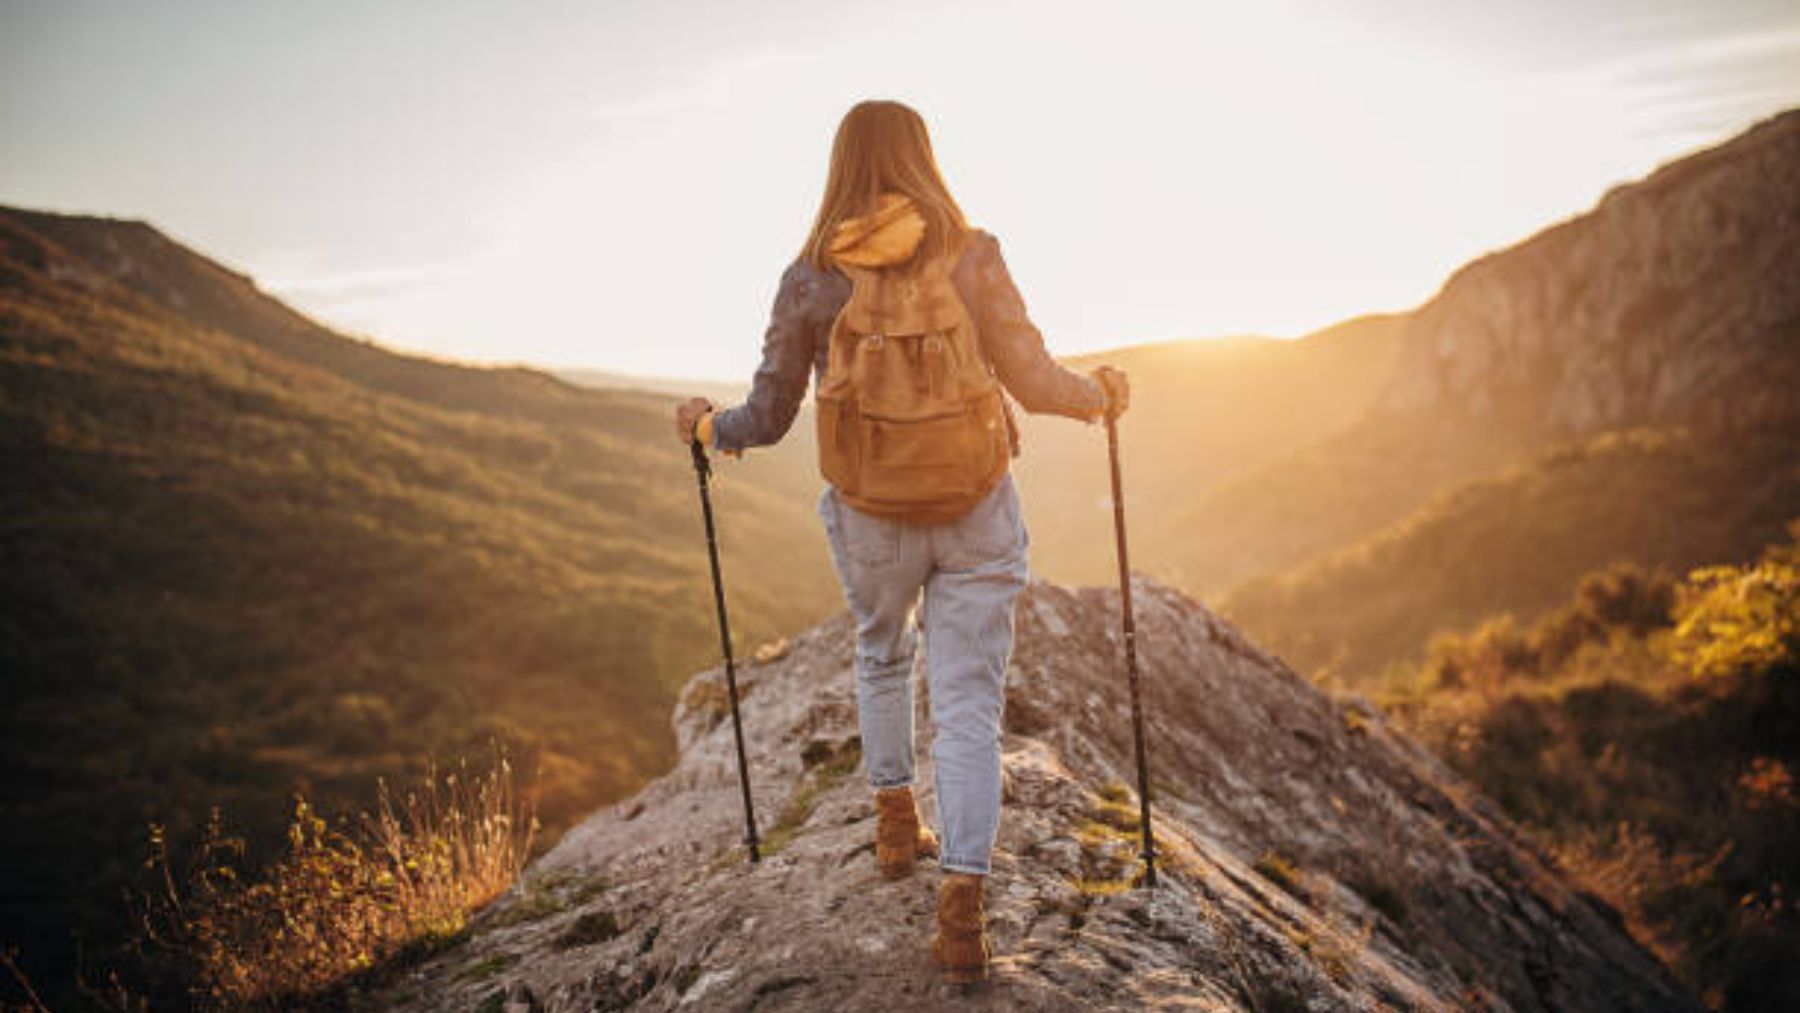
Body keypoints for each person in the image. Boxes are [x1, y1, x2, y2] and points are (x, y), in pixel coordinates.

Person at [674, 98, 1128, 982]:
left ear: (840, 167)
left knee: (883, 653)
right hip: (977, 506)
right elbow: (1032, 378)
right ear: (925, 158)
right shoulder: (973, 252)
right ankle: (961, 912)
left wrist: (703, 428)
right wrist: (1099, 395)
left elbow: (766, 416)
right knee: (967, 706)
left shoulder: (810, 274)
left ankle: (893, 827)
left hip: (872, 511)